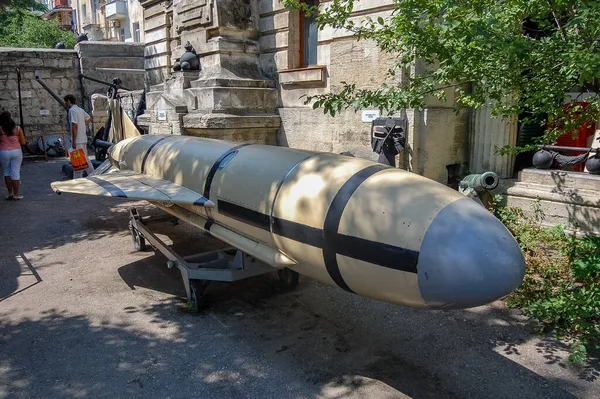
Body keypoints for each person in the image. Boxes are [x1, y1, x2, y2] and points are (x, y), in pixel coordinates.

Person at [64, 94, 94, 178]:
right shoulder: (80, 110)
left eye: (66, 101)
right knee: (85, 158)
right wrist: (83, 126)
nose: (65, 103)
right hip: (83, 138)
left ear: (69, 101)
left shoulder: (72, 110)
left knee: (77, 160)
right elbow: (88, 118)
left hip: (77, 139)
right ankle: (93, 175)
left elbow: (75, 125)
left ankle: (77, 179)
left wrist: (74, 140)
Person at [0, 111, 26, 200]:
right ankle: (16, 194)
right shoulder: (17, 129)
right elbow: (23, 142)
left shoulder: (0, 129)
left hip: (4, 152)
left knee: (6, 172)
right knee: (15, 172)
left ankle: (10, 193)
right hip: (16, 151)